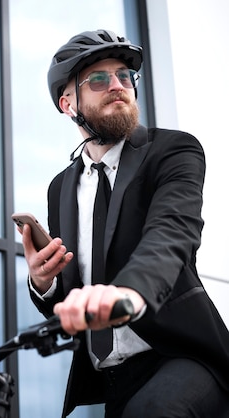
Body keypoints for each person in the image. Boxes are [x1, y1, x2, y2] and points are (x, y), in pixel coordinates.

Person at [18, 29, 229, 417]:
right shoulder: (60, 188)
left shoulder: (173, 151)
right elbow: (75, 300)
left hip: (181, 357)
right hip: (113, 379)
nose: (117, 85)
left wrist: (128, 294)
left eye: (124, 76)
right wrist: (44, 283)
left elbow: (172, 234)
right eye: (99, 79)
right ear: (68, 103)